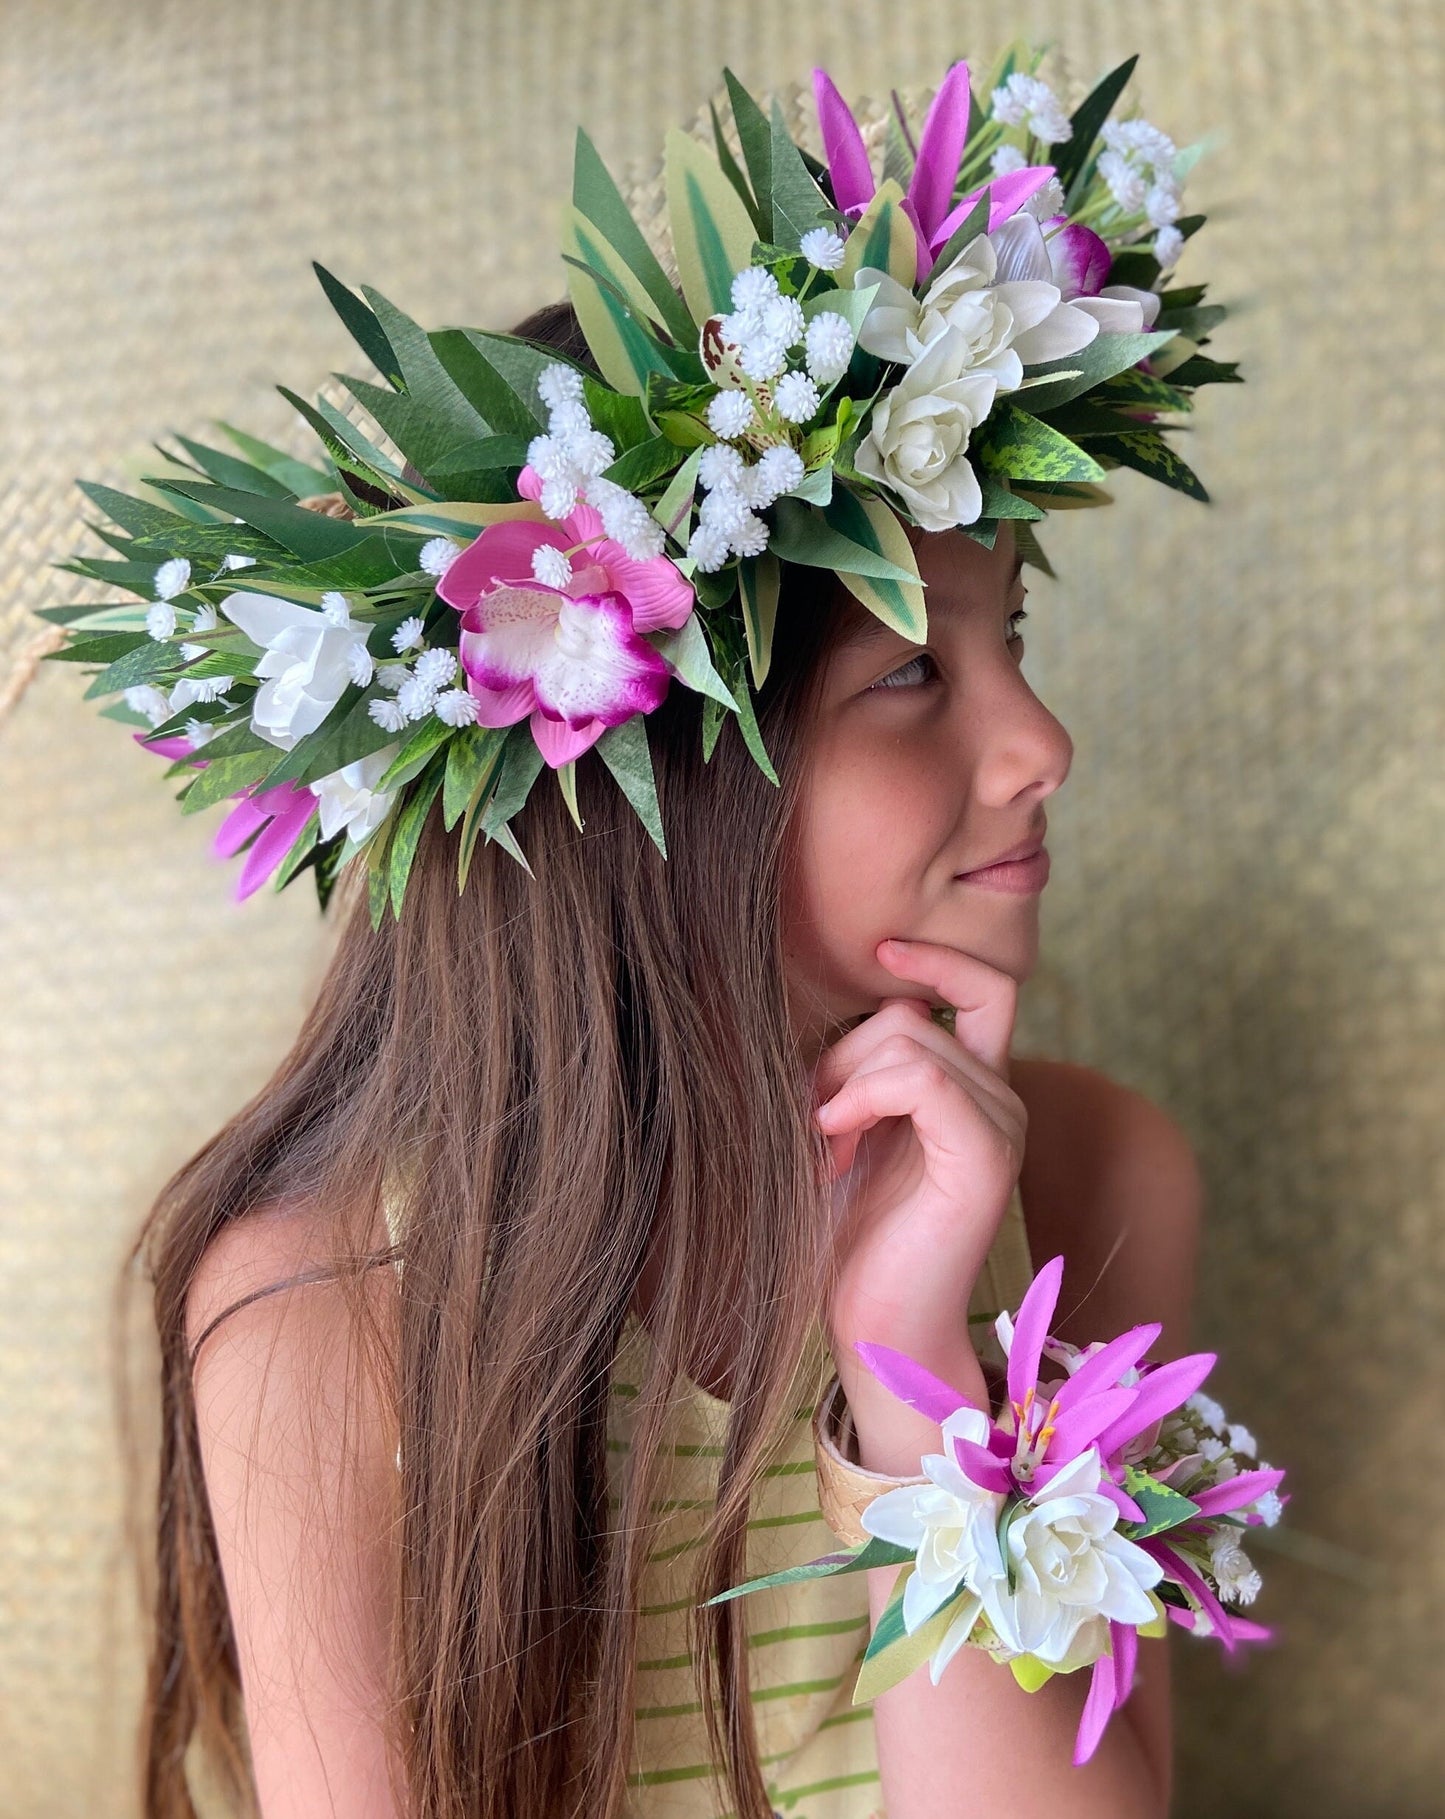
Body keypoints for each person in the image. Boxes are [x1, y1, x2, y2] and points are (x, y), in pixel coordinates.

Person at [137, 276, 1203, 1819]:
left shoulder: (1097, 1181)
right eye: (910, 672)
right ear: (650, 787)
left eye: (1011, 630)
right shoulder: (326, 1305)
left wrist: (912, 1363)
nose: (1041, 742)